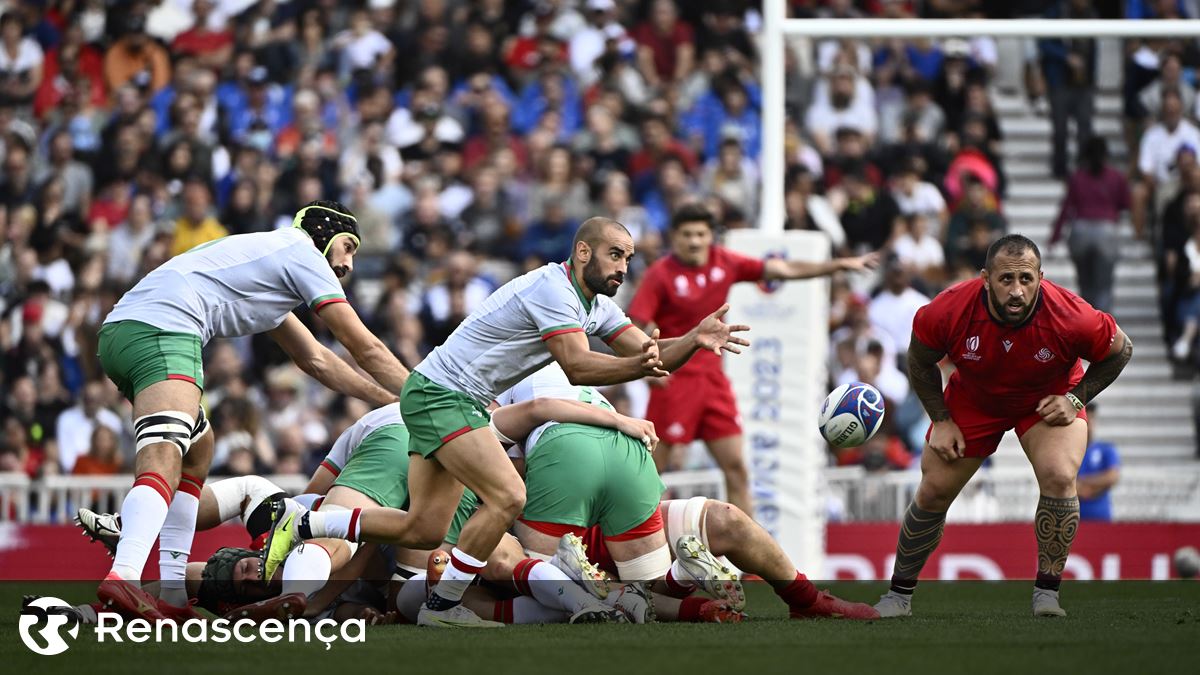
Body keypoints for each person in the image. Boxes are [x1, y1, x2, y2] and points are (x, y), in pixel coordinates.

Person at [268, 216, 750, 628]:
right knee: (509, 495)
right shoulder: (551, 288)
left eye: (628, 258)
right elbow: (579, 365)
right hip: (443, 394)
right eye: (615, 255)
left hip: (455, 400)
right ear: (583, 252)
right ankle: (442, 605)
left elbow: (647, 352)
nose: (624, 267)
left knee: (421, 529)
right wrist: (643, 365)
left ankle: (308, 520)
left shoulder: (597, 306)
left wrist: (693, 338)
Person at [94, 200, 409, 623]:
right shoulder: (301, 252)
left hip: (133, 331)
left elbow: (317, 360)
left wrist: (389, 400)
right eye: (348, 246)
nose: (350, 263)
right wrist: (421, 396)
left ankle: (170, 592)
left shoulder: (273, 267)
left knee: (197, 453)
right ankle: (125, 575)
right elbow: (364, 345)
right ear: (325, 233)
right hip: (162, 328)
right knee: (166, 453)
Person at [874, 234, 1132, 619]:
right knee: (933, 491)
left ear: (1041, 278)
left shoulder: (1071, 315)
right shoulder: (947, 310)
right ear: (985, 278)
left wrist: (1076, 399)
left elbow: (1121, 350)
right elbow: (919, 360)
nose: (1016, 291)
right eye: (1006, 280)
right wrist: (941, 420)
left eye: (1026, 280)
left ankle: (1047, 594)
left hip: (1047, 398)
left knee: (1060, 476)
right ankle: (898, 597)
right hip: (975, 400)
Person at [627, 203, 878, 514]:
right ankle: (633, 543)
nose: (693, 241)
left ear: (711, 237)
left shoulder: (725, 263)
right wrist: (648, 369)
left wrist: (838, 265)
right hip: (674, 380)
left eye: (700, 234)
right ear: (674, 237)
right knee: (651, 475)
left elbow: (783, 270)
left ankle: (744, 555)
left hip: (714, 382)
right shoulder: (660, 274)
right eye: (686, 234)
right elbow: (636, 325)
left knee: (737, 468)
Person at [1048, 136, 1131, 314]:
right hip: (1106, 232)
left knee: (1085, 285)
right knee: (1104, 285)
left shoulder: (1077, 177)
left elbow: (1066, 209)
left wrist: (1054, 237)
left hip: (1080, 231)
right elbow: (1126, 203)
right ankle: (1105, 330)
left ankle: (1088, 323)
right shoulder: (1116, 177)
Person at [1076, 403, 1121, 522]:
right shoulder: (1070, 452)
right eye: (1086, 419)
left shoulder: (1106, 449)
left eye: (1091, 418)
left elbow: (1112, 477)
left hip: (1101, 518)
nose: (1089, 423)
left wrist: (1083, 484)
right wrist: (1098, 483)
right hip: (1075, 520)